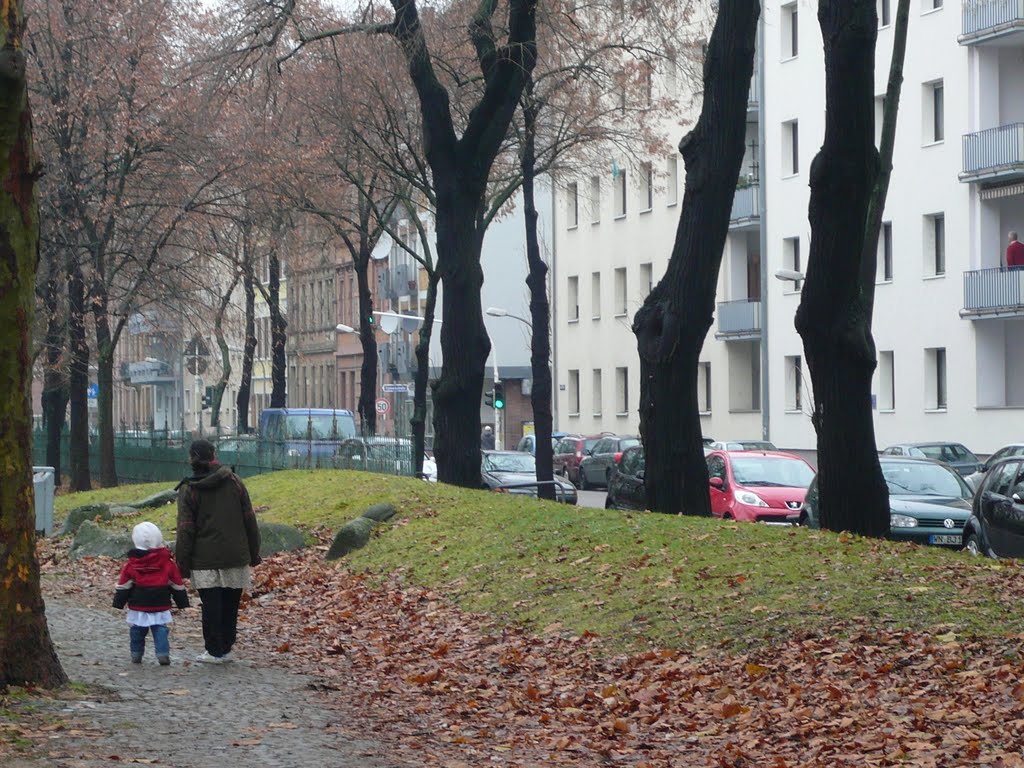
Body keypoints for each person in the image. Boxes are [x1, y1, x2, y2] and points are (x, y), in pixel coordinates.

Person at [175, 439, 261, 664]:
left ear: (192, 457)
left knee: (211, 605)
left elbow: (186, 529)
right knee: (230, 604)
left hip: (204, 558)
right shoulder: (234, 481)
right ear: (214, 454)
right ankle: (225, 647)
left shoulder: (189, 489)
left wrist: (181, 564)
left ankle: (213, 650)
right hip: (235, 555)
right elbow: (249, 519)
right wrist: (254, 552)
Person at [113, 522, 189, 666]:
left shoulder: (132, 564)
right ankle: (162, 653)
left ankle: (136, 653)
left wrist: (118, 603)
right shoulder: (167, 562)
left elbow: (124, 585)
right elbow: (176, 583)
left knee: (137, 629)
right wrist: (182, 602)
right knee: (160, 629)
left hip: (138, 603)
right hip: (160, 602)